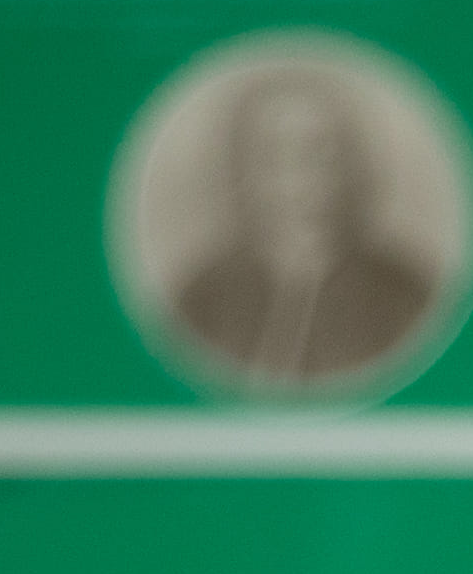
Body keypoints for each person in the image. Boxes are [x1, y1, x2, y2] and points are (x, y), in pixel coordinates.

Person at [162, 58, 441, 392]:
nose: (302, 178)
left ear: (349, 168)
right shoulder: (201, 300)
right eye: (276, 155)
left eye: (320, 152)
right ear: (244, 172)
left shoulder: (406, 298)